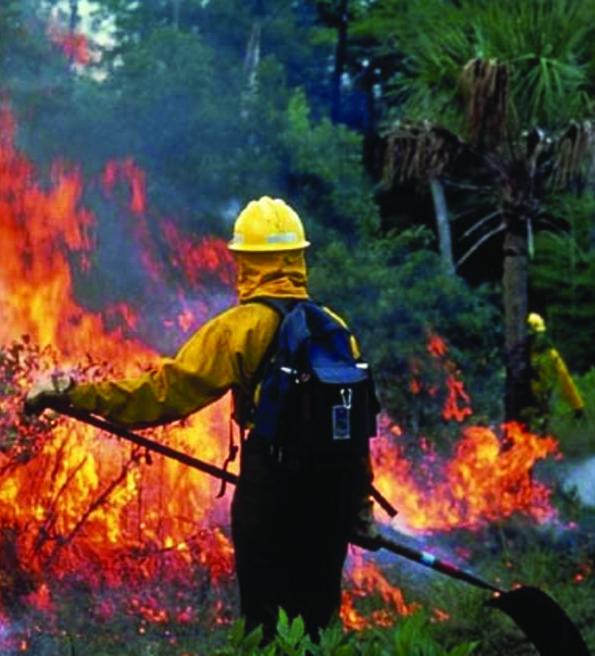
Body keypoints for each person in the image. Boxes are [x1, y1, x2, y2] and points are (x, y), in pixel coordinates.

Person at [23, 196, 378, 640]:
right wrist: (359, 506)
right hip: (333, 495)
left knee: (265, 624)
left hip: (272, 490)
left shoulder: (240, 328)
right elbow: (354, 429)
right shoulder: (336, 328)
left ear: (245, 262)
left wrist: (78, 395)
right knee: (319, 625)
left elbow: (161, 395)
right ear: (298, 258)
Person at [517, 312, 585, 432]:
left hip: (539, 402)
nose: (539, 338)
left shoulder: (550, 355)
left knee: (537, 435)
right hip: (522, 402)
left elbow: (565, 379)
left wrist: (577, 405)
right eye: (537, 335)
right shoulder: (521, 353)